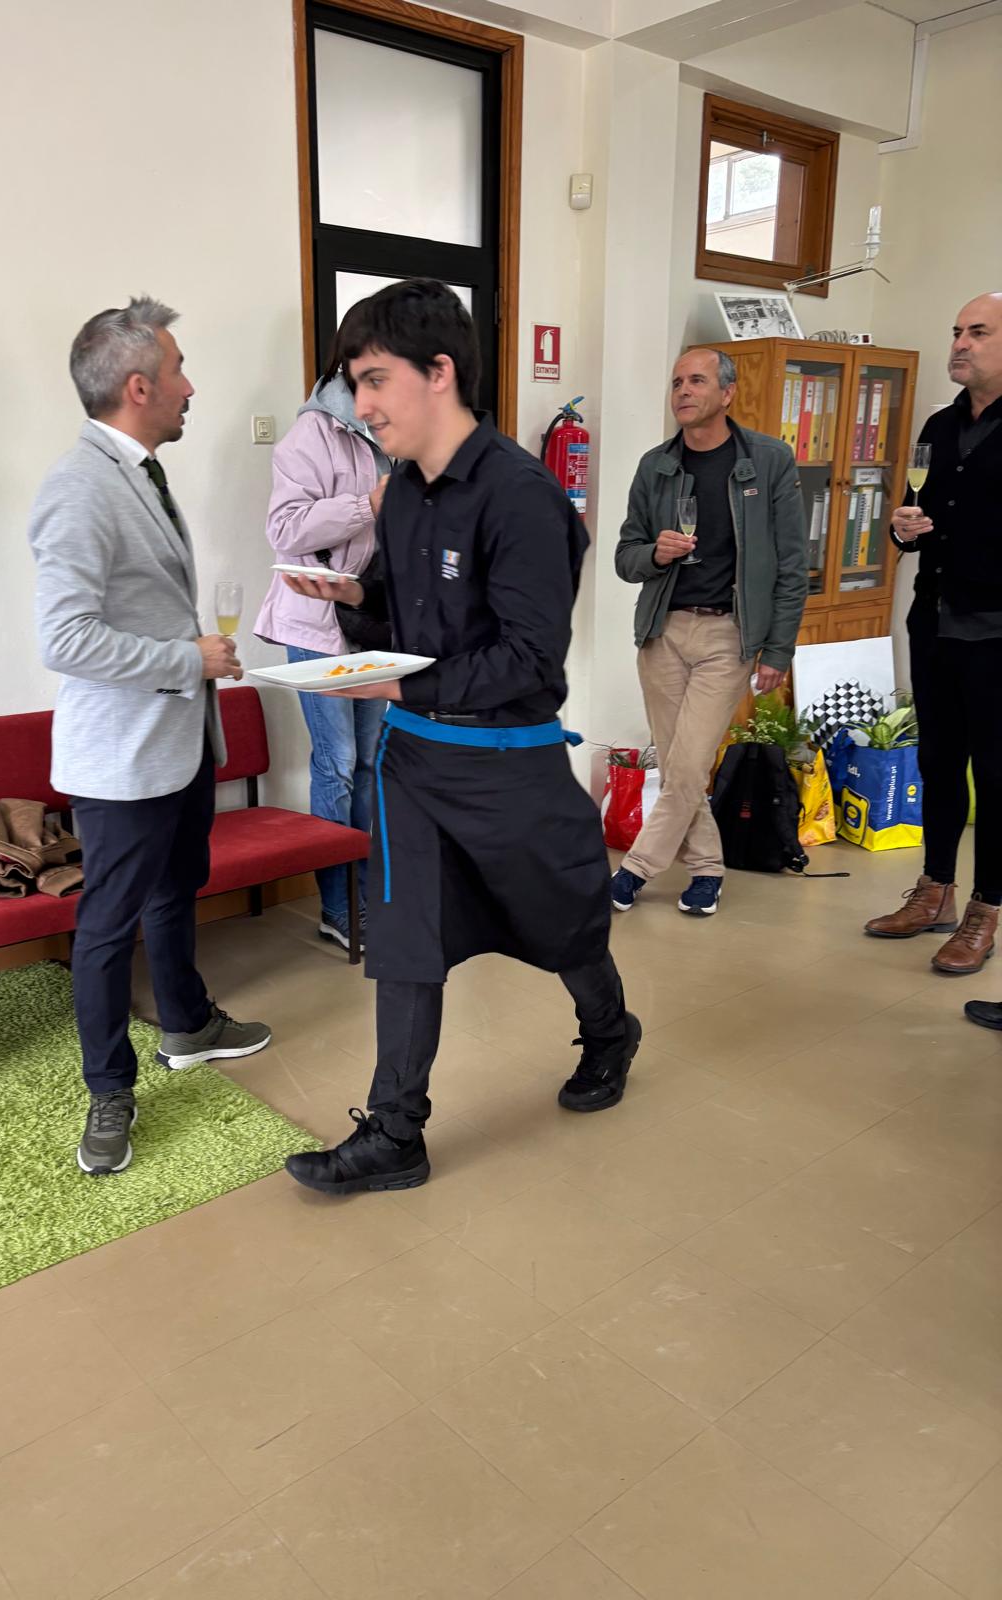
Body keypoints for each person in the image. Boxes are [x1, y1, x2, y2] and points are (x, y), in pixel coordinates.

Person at [278, 279, 639, 1196]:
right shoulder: (400, 492)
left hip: (507, 761)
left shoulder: (522, 496)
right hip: (414, 762)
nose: (361, 404)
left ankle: (610, 1030)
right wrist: (356, 599)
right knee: (405, 941)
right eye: (354, 383)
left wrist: (404, 680)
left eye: (374, 380)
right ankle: (395, 1132)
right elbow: (405, 615)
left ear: (439, 372)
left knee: (560, 920)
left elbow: (529, 657)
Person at [29, 297, 271, 1175]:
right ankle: (109, 1092)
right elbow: (65, 639)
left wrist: (192, 661)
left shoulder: (141, 474)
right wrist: (185, 658)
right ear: (139, 387)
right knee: (106, 926)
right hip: (123, 758)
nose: (190, 386)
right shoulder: (79, 486)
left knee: (176, 891)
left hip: (178, 743)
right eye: (178, 369)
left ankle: (189, 1025)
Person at [612, 348, 807, 916]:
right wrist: (655, 553)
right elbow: (626, 557)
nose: (683, 391)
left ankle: (634, 870)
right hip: (663, 633)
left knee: (688, 764)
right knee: (682, 768)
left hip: (729, 636)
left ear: (727, 393)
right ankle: (707, 870)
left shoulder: (769, 461)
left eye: (696, 380)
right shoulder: (655, 466)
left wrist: (778, 649)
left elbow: (792, 565)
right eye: (677, 382)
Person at [865, 291, 1002, 990]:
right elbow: (918, 515)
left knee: (996, 775)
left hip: (997, 630)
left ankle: (985, 910)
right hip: (936, 620)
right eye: (956, 331)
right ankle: (935, 890)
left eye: (978, 332)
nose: (960, 343)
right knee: (939, 761)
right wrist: (903, 529)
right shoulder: (940, 426)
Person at [254, 310, 391, 951]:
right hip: (316, 624)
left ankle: (367, 897)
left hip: (375, 617)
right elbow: (285, 529)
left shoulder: (393, 427)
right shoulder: (311, 433)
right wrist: (367, 505)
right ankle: (339, 907)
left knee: (369, 763)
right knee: (337, 764)